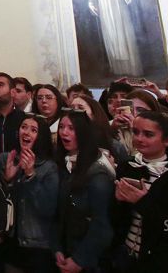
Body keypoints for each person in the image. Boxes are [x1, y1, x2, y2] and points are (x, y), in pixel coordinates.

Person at [111, 111, 168, 272]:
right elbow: (118, 218)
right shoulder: (128, 166)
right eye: (136, 132)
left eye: (148, 134)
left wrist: (142, 201)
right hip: (127, 252)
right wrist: (118, 201)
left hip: (162, 259)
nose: (139, 139)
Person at [54, 111, 114, 273]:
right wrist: (58, 248)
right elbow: (60, 214)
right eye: (61, 127)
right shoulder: (64, 165)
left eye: (71, 128)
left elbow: (102, 225)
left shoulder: (97, 174)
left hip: (90, 260)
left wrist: (80, 259)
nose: (64, 132)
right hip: (67, 250)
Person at [0, 115, 59, 273]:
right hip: (10, 241)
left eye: (33, 130)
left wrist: (31, 174)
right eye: (23, 127)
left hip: (37, 245)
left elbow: (47, 208)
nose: (26, 132)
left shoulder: (49, 167)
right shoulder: (7, 159)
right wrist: (8, 180)